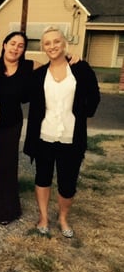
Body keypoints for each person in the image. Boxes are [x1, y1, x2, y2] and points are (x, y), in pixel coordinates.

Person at [0, 31, 80, 224]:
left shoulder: (30, 66)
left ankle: (3, 211)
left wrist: (69, 57)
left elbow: (54, 68)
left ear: (24, 50)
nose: (16, 48)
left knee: (5, 166)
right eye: (12, 43)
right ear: (4, 45)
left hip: (11, 124)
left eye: (20, 45)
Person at [23, 27, 100, 238]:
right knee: (42, 177)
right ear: (43, 48)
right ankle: (44, 217)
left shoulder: (80, 68)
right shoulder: (39, 75)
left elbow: (94, 95)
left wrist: (84, 113)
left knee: (68, 183)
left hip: (71, 136)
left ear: (64, 43)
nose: (52, 46)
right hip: (44, 135)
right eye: (47, 43)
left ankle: (63, 217)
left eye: (56, 41)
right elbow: (17, 84)